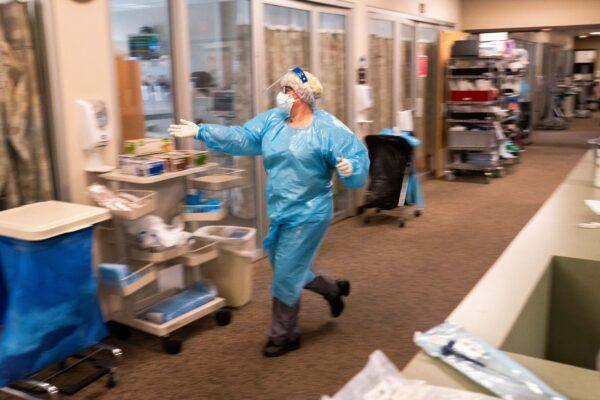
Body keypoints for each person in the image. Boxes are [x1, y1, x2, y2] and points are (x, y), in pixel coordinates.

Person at [169, 67, 369, 357]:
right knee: (290, 267)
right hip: (281, 209)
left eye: (288, 90)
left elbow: (356, 156)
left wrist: (352, 169)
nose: (282, 95)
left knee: (286, 274)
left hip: (311, 213)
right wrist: (202, 131)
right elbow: (242, 137)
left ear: (303, 96)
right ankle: (332, 289)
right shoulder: (272, 121)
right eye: (283, 89)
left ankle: (284, 335)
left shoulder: (327, 128)